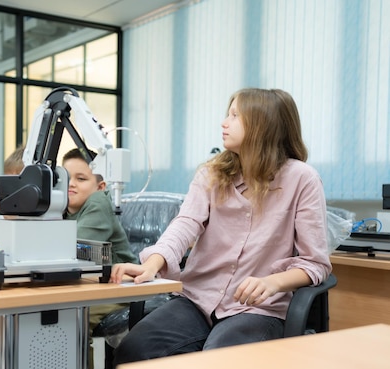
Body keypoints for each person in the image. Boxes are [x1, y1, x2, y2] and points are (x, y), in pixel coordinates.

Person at [109, 88, 332, 367]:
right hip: (197, 300)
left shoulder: (302, 179)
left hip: (257, 309)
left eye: (235, 116)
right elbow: (185, 224)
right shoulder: (211, 174)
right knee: (134, 350)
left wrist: (272, 282)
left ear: (262, 124)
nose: (224, 123)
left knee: (219, 360)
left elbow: (315, 263)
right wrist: (152, 263)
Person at [61, 148, 138, 369]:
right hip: (90, 285)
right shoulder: (63, 209)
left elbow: (70, 247)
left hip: (122, 288)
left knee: (72, 317)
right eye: (65, 178)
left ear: (101, 187)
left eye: (81, 178)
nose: (70, 184)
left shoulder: (98, 202)